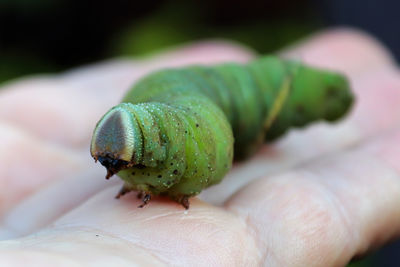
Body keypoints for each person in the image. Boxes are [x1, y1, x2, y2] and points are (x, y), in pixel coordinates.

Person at [0, 28, 399, 266]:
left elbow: (213, 144)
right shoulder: (166, 109)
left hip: (274, 92)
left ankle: (324, 93)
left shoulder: (202, 128)